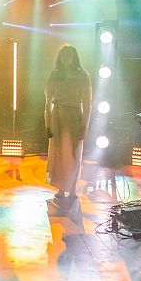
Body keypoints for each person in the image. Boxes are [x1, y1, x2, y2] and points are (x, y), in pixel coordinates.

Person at [43, 44, 92, 205]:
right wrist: (47, 124)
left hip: (74, 117)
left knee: (73, 154)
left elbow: (88, 103)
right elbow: (47, 102)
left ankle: (71, 188)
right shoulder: (55, 75)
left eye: (69, 56)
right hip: (58, 117)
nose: (66, 59)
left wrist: (84, 126)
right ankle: (60, 188)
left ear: (74, 57)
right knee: (58, 153)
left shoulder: (82, 76)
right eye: (63, 56)